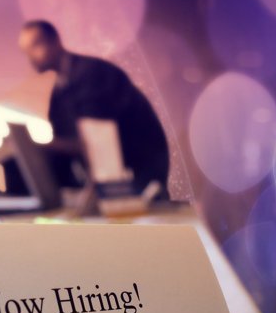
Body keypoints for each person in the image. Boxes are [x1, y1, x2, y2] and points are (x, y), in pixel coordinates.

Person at [18, 20, 170, 196]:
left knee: (149, 219)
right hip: (123, 170)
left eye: (35, 45)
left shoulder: (91, 73)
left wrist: (42, 146)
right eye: (25, 51)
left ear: (55, 40)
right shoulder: (60, 89)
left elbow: (97, 140)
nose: (30, 56)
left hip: (140, 164)